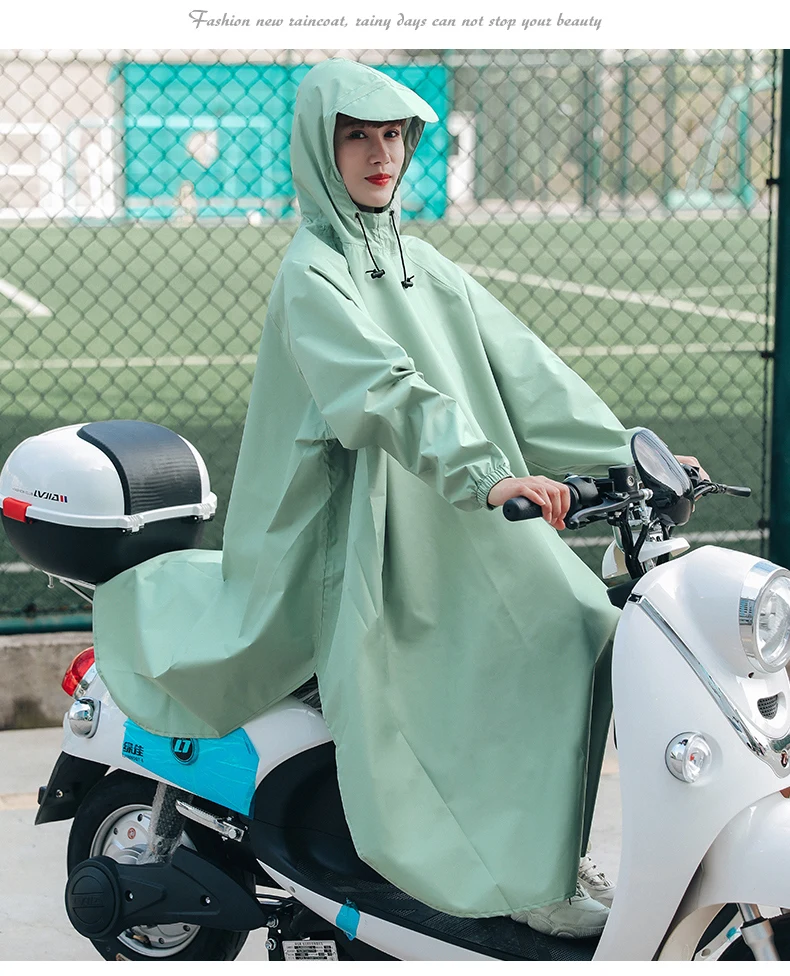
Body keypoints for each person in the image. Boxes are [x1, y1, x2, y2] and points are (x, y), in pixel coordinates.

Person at [92, 58, 705, 938]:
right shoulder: (314, 274)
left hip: (455, 512)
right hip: (354, 535)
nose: (381, 155)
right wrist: (487, 474)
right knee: (517, 648)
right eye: (357, 136)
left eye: (394, 136)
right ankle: (511, 879)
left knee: (581, 623)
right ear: (320, 147)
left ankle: (544, 858)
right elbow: (386, 393)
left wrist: (633, 456)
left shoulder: (421, 263)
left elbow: (528, 373)